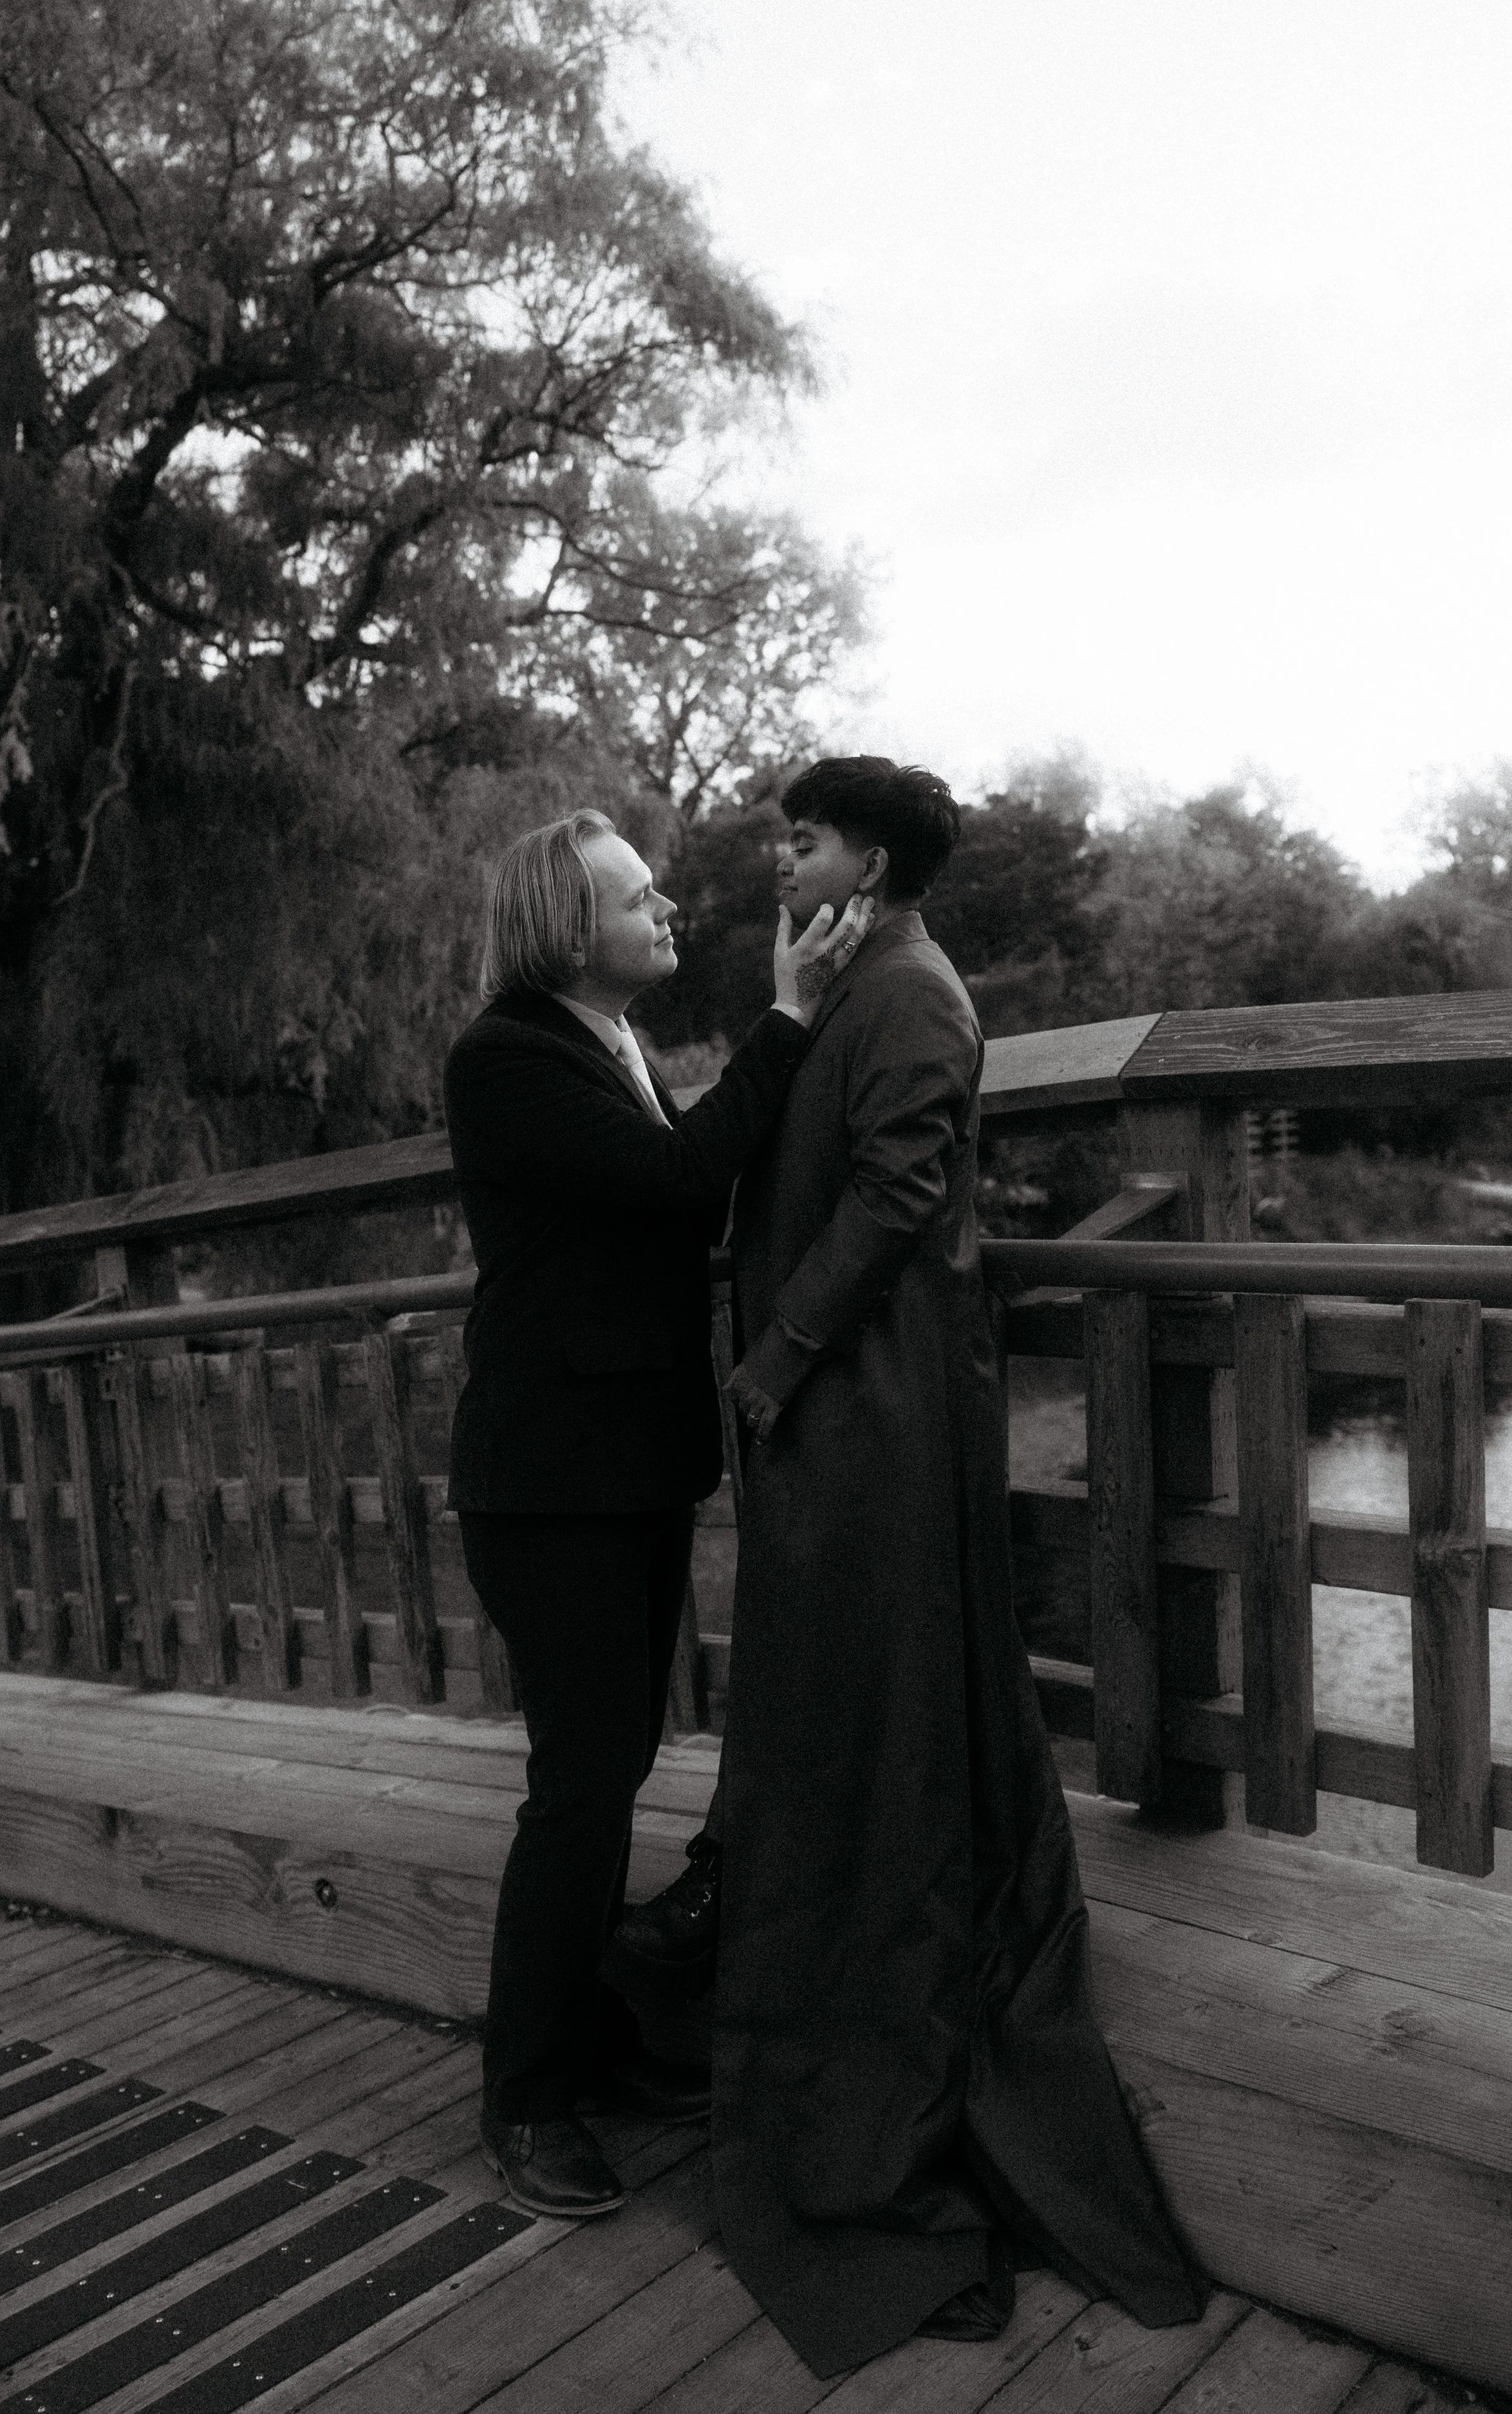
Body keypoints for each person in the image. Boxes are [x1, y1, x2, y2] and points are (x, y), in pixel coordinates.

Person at [621, 757, 1208, 2375]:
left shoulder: (920, 993)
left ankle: (865, 2029)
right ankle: (777, 1967)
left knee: (867, 1697)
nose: (777, 856)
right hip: (826, 1407)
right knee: (818, 1700)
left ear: (864, 857)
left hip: (868, 1413)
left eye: (797, 838)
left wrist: (780, 1356)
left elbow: (890, 1197)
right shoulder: (851, 980)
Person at [443, 805, 872, 2225]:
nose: (664, 908)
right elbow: (679, 1187)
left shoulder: (606, 1045)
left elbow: (670, 1194)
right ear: (570, 930)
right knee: (581, 1781)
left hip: (619, 1466)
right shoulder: (505, 1056)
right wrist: (790, 1015)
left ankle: (593, 2041)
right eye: (637, 897)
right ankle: (524, 2095)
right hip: (547, 1481)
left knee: (616, 1761)